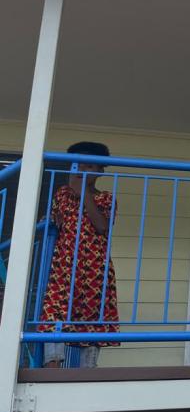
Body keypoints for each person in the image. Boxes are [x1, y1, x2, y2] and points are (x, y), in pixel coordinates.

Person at [37, 141, 118, 368]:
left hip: (95, 267)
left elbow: (102, 226)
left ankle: (88, 370)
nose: (82, 170)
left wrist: (84, 194)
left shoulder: (106, 198)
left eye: (89, 166)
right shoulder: (62, 194)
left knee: (92, 315)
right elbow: (56, 217)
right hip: (65, 264)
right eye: (78, 165)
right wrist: (49, 219)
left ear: (101, 171)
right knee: (54, 311)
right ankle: (52, 365)